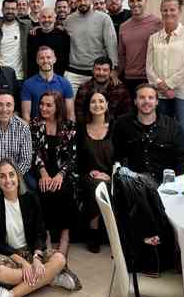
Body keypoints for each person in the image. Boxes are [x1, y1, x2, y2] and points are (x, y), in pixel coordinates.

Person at [0, 159, 77, 297]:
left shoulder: (31, 198)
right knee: (1, 273)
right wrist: (23, 263)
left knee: (60, 259)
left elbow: (40, 232)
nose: (8, 180)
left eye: (11, 174)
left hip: (31, 250)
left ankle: (11, 294)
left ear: (18, 176)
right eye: (2, 176)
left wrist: (36, 257)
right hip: (9, 255)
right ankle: (50, 278)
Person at [28, 92, 79, 282]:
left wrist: (59, 175)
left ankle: (65, 237)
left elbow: (72, 157)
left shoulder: (69, 126)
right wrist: (43, 173)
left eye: (49, 105)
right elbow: (34, 152)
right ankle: (47, 241)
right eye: (41, 104)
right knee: (43, 191)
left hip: (63, 172)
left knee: (64, 191)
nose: (43, 108)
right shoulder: (35, 124)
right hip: (42, 171)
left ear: (58, 106)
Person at [146, 0, 184, 154]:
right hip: (160, 93)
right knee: (162, 130)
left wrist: (169, 84)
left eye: (172, 9)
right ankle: (165, 165)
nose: (168, 13)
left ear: (179, 11)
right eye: (165, 10)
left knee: (183, 129)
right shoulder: (154, 38)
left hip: (183, 91)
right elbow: (149, 66)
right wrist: (160, 85)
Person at [112, 84, 184, 183]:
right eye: (142, 97)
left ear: (157, 102)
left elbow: (183, 159)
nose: (146, 101)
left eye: (151, 98)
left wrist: (176, 185)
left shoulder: (172, 126)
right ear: (135, 101)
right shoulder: (122, 124)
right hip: (135, 186)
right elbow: (116, 157)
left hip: (165, 186)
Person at [76, 91, 113, 253]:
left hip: (112, 175)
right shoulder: (81, 129)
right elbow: (76, 158)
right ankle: (94, 231)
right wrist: (89, 171)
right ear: (88, 107)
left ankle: (100, 231)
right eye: (93, 102)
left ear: (107, 105)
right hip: (87, 175)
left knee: (101, 183)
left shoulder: (115, 128)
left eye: (101, 101)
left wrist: (110, 174)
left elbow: (123, 156)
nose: (97, 105)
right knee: (95, 184)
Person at [64, 0, 118, 95]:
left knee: (96, 107)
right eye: (79, 0)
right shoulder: (69, 20)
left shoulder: (104, 18)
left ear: (91, 0)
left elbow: (111, 44)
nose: (82, 2)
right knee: (71, 107)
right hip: (73, 72)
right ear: (75, 2)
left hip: (97, 72)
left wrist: (114, 69)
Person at [118, 0, 162, 97]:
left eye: (139, 0)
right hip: (129, 78)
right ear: (127, 3)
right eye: (131, 1)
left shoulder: (157, 23)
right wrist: (116, 73)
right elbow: (121, 55)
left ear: (145, 1)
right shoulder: (123, 27)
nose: (135, 4)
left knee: (149, 113)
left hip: (149, 78)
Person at [21, 46, 74, 123]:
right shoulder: (28, 84)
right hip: (37, 130)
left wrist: (68, 132)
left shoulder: (65, 83)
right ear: (37, 61)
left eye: (48, 57)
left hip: (59, 130)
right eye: (41, 58)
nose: (45, 61)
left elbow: (70, 114)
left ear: (54, 59)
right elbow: (26, 116)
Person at [74, 56, 132, 121]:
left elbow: (126, 115)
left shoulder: (121, 90)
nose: (101, 73)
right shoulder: (84, 88)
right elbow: (79, 114)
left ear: (110, 72)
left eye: (105, 70)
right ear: (93, 70)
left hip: (114, 128)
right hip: (89, 127)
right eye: (98, 69)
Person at [0, 0, 29, 86]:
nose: (10, 11)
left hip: (19, 77)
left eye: (13, 9)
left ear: (17, 10)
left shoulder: (25, 27)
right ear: (2, 10)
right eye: (7, 8)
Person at [27, 7, 70, 77]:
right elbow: (30, 59)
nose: (46, 20)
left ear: (54, 19)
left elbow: (65, 59)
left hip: (57, 77)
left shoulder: (63, 35)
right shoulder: (33, 35)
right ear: (39, 19)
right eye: (43, 17)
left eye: (49, 17)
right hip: (36, 77)